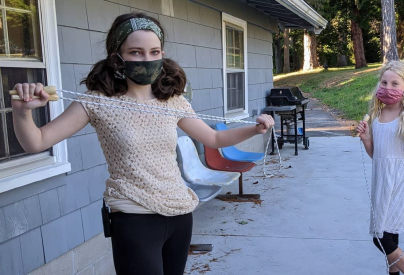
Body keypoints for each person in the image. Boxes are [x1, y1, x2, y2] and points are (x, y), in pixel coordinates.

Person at [11, 12, 274, 275]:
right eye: (136, 52)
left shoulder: (172, 101)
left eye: (154, 51)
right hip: (134, 219)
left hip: (180, 214)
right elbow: (37, 141)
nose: (147, 59)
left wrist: (254, 128)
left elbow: (214, 138)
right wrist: (23, 112)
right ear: (117, 57)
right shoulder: (96, 102)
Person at [356, 60, 404, 275]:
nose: (388, 88)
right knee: (389, 237)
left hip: (401, 183)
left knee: (382, 239)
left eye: (395, 83)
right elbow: (376, 155)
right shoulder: (377, 115)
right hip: (382, 183)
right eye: (384, 82)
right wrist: (367, 138)